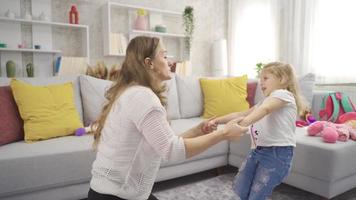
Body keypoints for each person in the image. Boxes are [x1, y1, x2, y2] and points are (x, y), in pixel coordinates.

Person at [87, 36, 248, 200]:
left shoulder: (132, 91)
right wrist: (223, 134)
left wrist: (197, 131)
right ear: (149, 63)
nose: (170, 61)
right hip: (117, 195)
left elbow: (163, 144)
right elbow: (172, 151)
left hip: (108, 191)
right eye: (164, 56)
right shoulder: (143, 97)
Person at [204, 62, 308, 200]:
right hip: (258, 151)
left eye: (265, 78)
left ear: (282, 79)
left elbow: (266, 110)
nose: (261, 82)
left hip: (277, 154)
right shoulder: (264, 101)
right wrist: (217, 120)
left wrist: (243, 125)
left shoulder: (284, 94)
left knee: (257, 194)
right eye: (260, 79)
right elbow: (241, 113)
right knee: (241, 187)